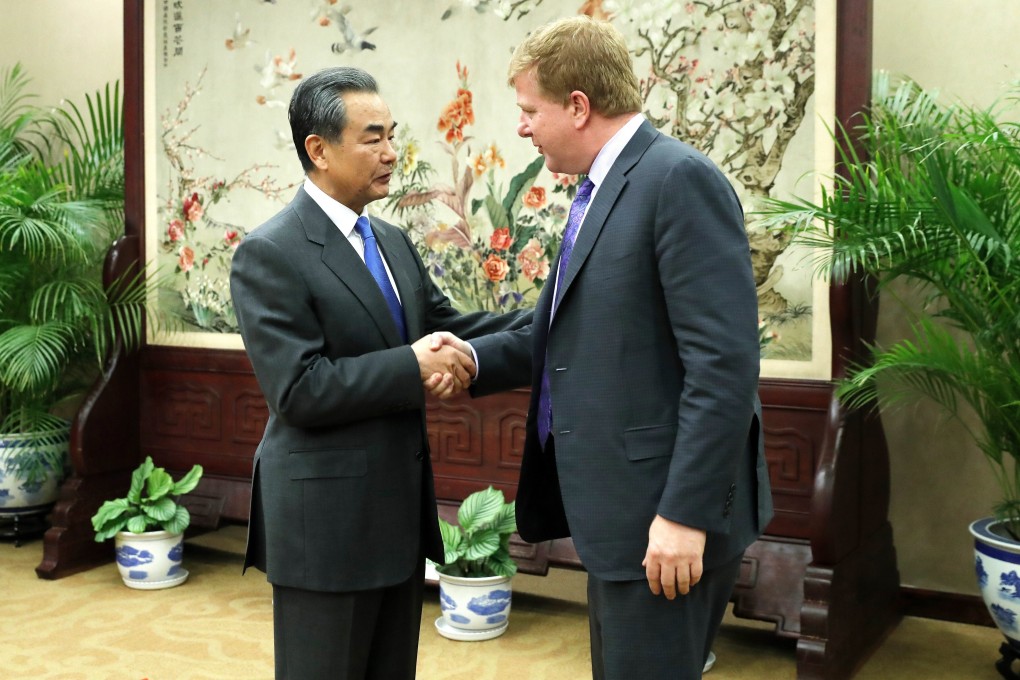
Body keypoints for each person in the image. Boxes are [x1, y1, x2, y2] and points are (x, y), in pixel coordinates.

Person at [463, 16, 774, 680]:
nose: (522, 128)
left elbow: (724, 367)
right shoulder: (599, 190)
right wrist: (469, 359)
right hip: (621, 520)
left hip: (663, 522)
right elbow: (558, 334)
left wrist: (684, 516)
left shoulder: (677, 180)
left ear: (578, 106)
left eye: (529, 110)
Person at [229, 66, 529, 680]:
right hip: (326, 527)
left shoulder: (390, 240)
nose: (392, 153)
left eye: (392, 135)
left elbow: (447, 329)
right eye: (373, 138)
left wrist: (554, 322)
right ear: (318, 149)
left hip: (395, 520)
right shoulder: (270, 252)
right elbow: (300, 390)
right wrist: (412, 366)